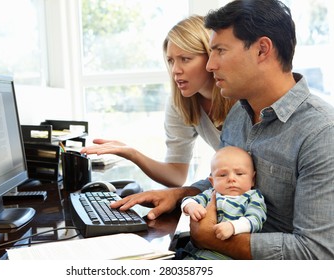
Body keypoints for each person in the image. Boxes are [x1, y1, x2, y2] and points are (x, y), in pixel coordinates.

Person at [114, 0, 334, 259]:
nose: (210, 65)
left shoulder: (322, 134)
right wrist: (179, 195)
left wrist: (211, 239)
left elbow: (318, 253)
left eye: (220, 51)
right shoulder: (238, 114)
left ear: (262, 50)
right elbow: (222, 182)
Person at [81, 15, 235, 191]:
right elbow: (176, 175)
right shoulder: (181, 103)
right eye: (170, 61)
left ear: (210, 57)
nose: (175, 70)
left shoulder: (239, 97)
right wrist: (131, 153)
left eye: (185, 59)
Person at [180, 146, 266, 259]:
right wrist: (191, 206)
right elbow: (188, 200)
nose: (231, 179)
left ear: (252, 179)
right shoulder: (211, 193)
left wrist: (233, 226)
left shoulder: (253, 197)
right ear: (212, 181)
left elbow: (255, 220)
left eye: (239, 174)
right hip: (194, 253)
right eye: (222, 175)